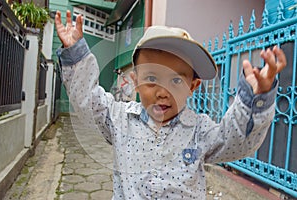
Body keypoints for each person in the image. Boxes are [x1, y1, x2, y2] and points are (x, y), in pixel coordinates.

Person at [55, 10, 287, 200]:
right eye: (152, 79)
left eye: (176, 80)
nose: (163, 93)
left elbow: (237, 143)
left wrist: (256, 98)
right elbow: (88, 100)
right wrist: (76, 54)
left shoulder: (199, 130)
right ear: (135, 81)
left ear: (192, 86)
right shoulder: (119, 119)